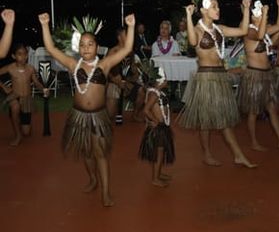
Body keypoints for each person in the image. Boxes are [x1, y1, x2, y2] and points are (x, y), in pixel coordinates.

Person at [38, 12, 135, 207]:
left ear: (97, 47)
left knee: (100, 153)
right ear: (78, 48)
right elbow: (50, 48)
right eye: (82, 45)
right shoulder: (73, 65)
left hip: (99, 116)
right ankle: (93, 179)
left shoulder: (104, 65)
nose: (86, 48)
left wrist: (131, 27)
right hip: (79, 116)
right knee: (87, 153)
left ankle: (106, 192)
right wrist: (45, 25)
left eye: (90, 44)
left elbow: (126, 49)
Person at [178, 0, 256, 168]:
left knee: (221, 119)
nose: (218, 9)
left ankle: (235, 155)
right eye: (214, 6)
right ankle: (218, 154)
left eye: (218, 6)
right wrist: (188, 16)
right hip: (206, 78)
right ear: (204, 10)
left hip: (220, 77)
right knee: (207, 120)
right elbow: (191, 41)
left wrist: (246, 9)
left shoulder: (219, 29)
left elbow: (243, 30)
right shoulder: (197, 30)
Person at [239, 0, 279, 153]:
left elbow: (278, 25)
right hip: (254, 76)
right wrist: (264, 16)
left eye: (263, 16)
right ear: (253, 17)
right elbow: (259, 35)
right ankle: (253, 142)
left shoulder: (264, 31)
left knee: (272, 108)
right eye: (260, 15)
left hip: (266, 75)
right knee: (253, 111)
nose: (264, 18)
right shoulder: (249, 31)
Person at [0, 43, 49, 146]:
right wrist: (4, 87)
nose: (23, 57)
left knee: (26, 132)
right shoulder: (10, 68)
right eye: (19, 54)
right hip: (15, 96)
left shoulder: (31, 68)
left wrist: (43, 89)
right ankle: (18, 135)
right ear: (14, 56)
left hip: (27, 99)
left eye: (25, 54)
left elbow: (36, 82)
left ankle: (25, 126)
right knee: (14, 106)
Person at [139, 63, 175, 187]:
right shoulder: (154, 94)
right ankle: (155, 178)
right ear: (158, 81)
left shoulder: (157, 92)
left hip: (162, 127)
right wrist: (155, 120)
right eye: (164, 77)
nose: (166, 79)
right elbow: (146, 110)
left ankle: (158, 173)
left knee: (162, 151)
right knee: (159, 154)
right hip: (158, 129)